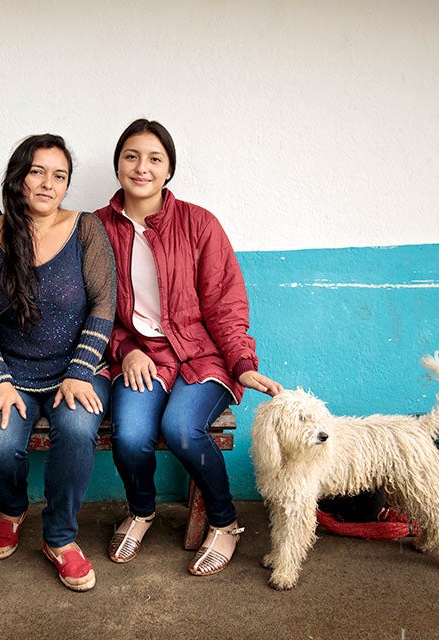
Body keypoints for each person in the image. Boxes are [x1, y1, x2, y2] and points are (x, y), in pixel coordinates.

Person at [93, 119, 284, 575]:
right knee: (131, 437)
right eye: (132, 157)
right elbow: (91, 307)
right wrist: (124, 348)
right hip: (141, 355)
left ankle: (226, 523)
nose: (142, 168)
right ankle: (141, 512)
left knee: (182, 429)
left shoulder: (199, 223)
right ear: (118, 165)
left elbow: (224, 302)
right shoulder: (95, 228)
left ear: (169, 170)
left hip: (202, 354)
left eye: (155, 159)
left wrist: (240, 363)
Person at [0, 134, 116, 591]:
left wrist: (78, 371)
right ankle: (11, 507)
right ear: (19, 178)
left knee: (75, 428)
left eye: (60, 175)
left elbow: (103, 305)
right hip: (10, 375)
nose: (48, 183)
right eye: (37, 172)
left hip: (78, 370)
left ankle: (60, 538)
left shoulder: (85, 229)